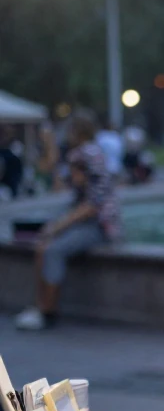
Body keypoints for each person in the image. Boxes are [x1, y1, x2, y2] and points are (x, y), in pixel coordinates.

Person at [14, 115, 122, 331]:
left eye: (74, 171)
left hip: (99, 225)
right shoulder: (92, 154)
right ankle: (41, 306)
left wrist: (57, 227)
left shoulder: (85, 155)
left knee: (52, 250)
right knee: (44, 247)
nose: (72, 176)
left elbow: (92, 206)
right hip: (95, 221)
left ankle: (48, 311)